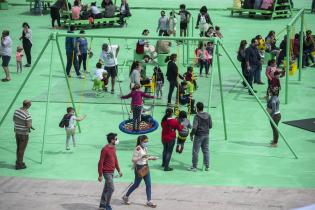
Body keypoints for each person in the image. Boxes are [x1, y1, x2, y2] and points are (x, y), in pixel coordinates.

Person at [122, 135, 157, 208]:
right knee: (136, 184)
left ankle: (149, 201)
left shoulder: (145, 148)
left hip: (146, 167)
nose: (146, 143)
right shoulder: (137, 149)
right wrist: (141, 157)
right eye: (145, 141)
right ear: (141, 141)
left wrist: (151, 158)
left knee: (148, 184)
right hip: (139, 168)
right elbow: (133, 160)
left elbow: (146, 157)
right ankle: (126, 196)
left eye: (147, 141)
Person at [98, 132, 122, 210]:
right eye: (115, 139)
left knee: (106, 188)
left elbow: (115, 160)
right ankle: (107, 205)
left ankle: (102, 204)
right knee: (111, 188)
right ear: (112, 140)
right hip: (106, 172)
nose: (117, 140)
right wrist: (100, 175)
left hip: (112, 171)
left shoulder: (114, 148)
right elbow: (100, 162)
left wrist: (119, 170)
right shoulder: (105, 149)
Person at [189, 102, 212, 172]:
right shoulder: (208, 115)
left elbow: (194, 128)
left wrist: (191, 134)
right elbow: (210, 126)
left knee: (195, 151)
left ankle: (194, 166)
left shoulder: (197, 116)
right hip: (206, 135)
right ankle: (207, 166)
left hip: (198, 135)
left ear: (197, 108)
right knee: (206, 150)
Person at [13, 99, 32, 170]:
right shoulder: (27, 115)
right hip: (23, 134)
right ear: (28, 105)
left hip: (17, 132)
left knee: (18, 148)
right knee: (21, 149)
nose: (31, 105)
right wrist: (29, 125)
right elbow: (29, 126)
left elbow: (14, 119)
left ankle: (18, 161)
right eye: (30, 104)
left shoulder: (17, 110)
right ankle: (19, 165)